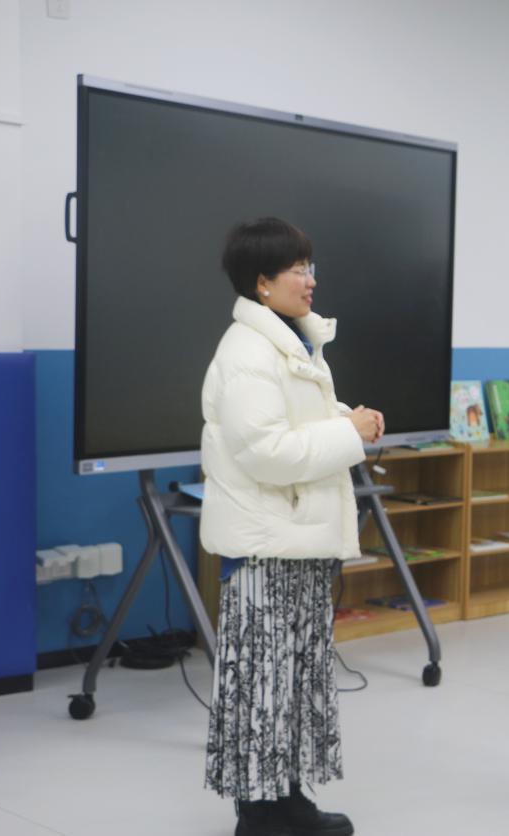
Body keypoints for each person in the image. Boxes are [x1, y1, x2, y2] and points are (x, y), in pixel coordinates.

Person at [200, 217, 384, 836]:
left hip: (292, 541)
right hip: (266, 547)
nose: (311, 280)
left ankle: (287, 800)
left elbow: (296, 421)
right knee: (263, 683)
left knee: (292, 680)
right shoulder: (248, 352)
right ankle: (259, 813)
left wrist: (346, 419)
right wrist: (347, 434)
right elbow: (267, 451)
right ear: (262, 282)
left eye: (310, 267)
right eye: (299, 269)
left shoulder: (288, 342)